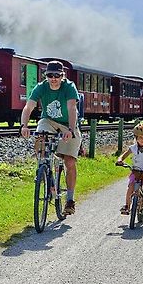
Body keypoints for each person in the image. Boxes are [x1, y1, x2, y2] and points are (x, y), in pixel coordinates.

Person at [20, 60, 82, 215]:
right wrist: (24, 125)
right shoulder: (41, 87)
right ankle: (42, 168)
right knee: (40, 137)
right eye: (50, 75)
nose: (53, 78)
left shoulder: (69, 87)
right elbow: (29, 106)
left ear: (62, 75)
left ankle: (69, 199)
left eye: (57, 75)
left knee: (69, 162)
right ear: (45, 76)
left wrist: (70, 129)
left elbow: (72, 107)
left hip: (68, 123)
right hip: (48, 121)